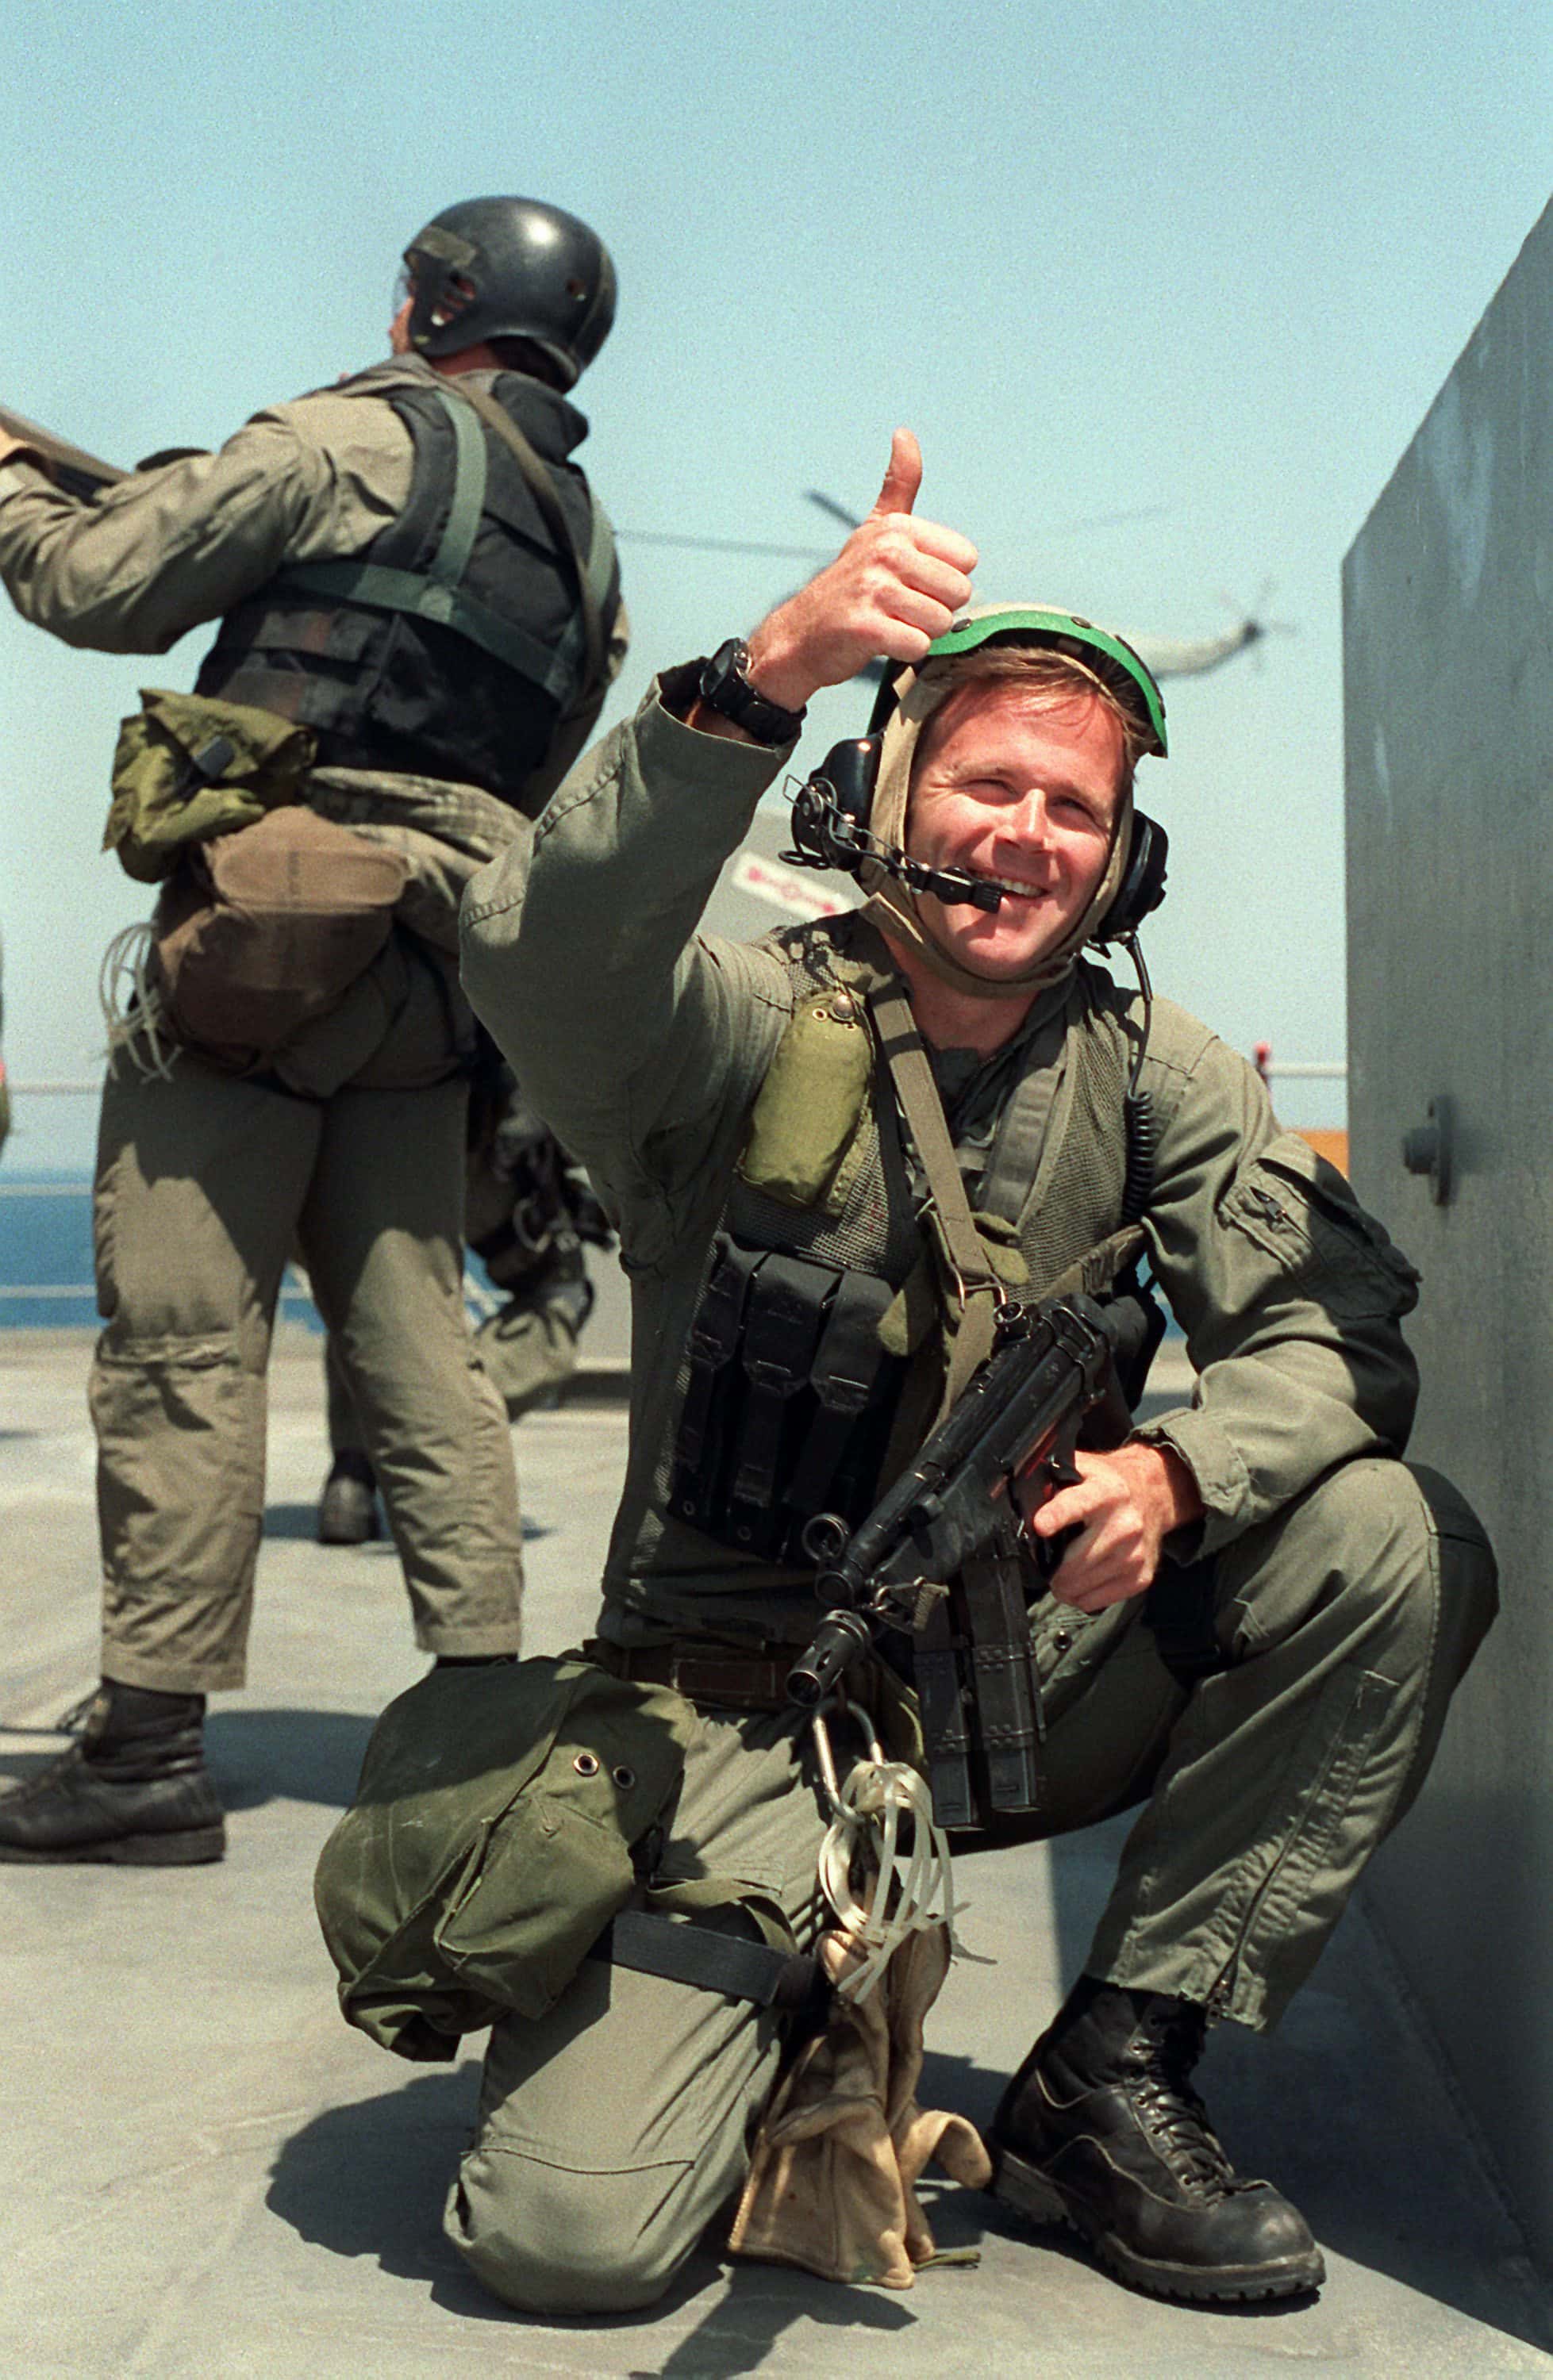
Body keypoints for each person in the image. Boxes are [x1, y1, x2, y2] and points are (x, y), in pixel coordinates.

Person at [448, 427, 1497, 2316]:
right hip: (734, 1717)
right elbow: (537, 954)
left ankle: (1110, 2078)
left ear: (1121, 856)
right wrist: (761, 677)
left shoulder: (1159, 1073)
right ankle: (784, 1989)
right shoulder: (731, 1027)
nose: (1026, 832)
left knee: (1385, 1538)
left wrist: (1180, 1473)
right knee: (566, 2244)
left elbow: (1331, 1333)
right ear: (886, 796)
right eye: (986, 783)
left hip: (1014, 1679)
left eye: (1072, 807)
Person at [0, 195, 625, 1865]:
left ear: (438, 304)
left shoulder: (349, 439)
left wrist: (10, 483)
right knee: (421, 1345)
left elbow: (93, 583)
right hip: (435, 978)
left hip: (264, 955)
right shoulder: (586, 548)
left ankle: (145, 1753)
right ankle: (483, 1724)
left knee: (185, 1345)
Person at [317, 1057, 614, 1545]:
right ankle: (433, 1429)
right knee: (558, 1294)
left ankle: (352, 1475)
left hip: (368, 1117)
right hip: (486, 1126)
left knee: (363, 1293)